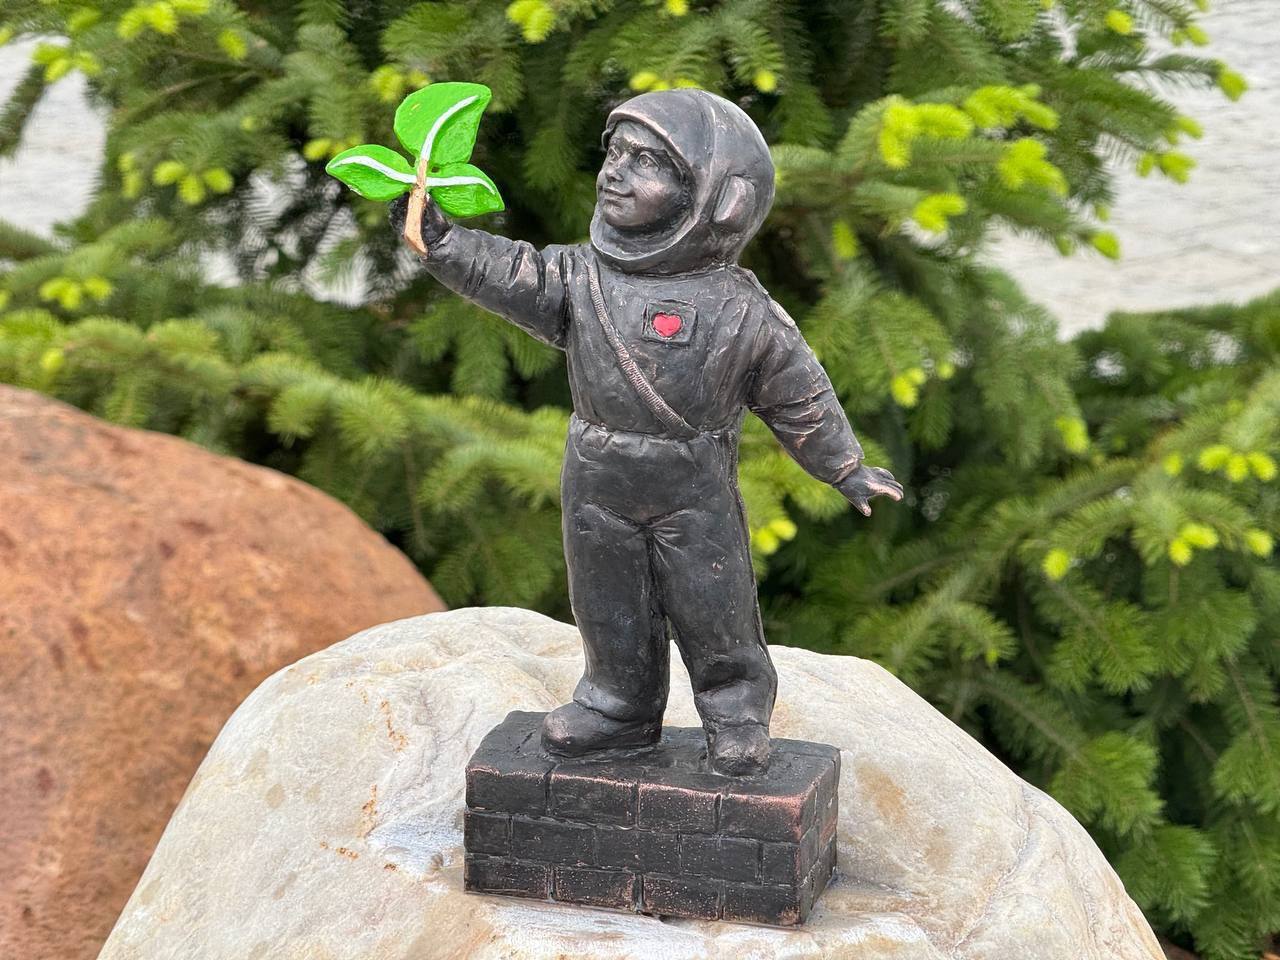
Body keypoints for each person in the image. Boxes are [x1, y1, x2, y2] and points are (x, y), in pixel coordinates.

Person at [391, 88, 902, 775]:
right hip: (596, 476)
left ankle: (736, 714)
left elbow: (798, 393)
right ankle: (617, 706)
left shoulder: (741, 309)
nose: (616, 172)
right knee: (605, 600)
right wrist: (445, 241)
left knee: (714, 602)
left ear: (721, 199)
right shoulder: (579, 277)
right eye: (615, 152)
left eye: (648, 161)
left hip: (693, 485)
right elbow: (512, 273)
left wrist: (845, 467)